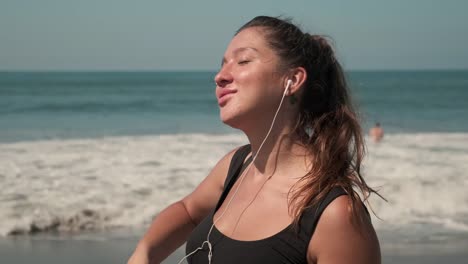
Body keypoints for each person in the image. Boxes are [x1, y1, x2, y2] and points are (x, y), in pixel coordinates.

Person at [128, 16, 382, 264]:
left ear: (292, 80)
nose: (220, 76)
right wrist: (145, 253)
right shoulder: (237, 165)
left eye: (243, 61)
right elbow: (188, 211)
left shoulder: (336, 215)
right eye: (223, 64)